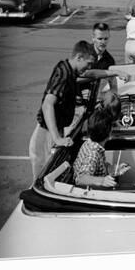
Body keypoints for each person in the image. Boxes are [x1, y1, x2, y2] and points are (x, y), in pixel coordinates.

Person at [28, 40, 97, 180]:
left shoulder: (69, 70)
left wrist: (113, 72)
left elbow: (92, 74)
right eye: (88, 63)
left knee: (50, 171)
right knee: (42, 176)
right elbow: (48, 104)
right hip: (46, 132)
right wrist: (57, 138)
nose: (89, 67)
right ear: (79, 57)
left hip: (54, 129)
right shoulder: (64, 74)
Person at [73, 108, 129, 187]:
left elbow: (98, 167)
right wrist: (102, 181)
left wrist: (113, 169)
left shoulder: (89, 143)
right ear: (109, 134)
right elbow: (80, 179)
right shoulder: (93, 154)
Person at [82, 22, 128, 90]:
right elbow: (83, 74)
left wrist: (114, 95)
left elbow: (112, 83)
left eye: (106, 39)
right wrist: (115, 72)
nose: (103, 42)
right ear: (93, 38)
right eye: (100, 39)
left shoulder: (109, 60)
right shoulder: (84, 53)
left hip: (96, 97)